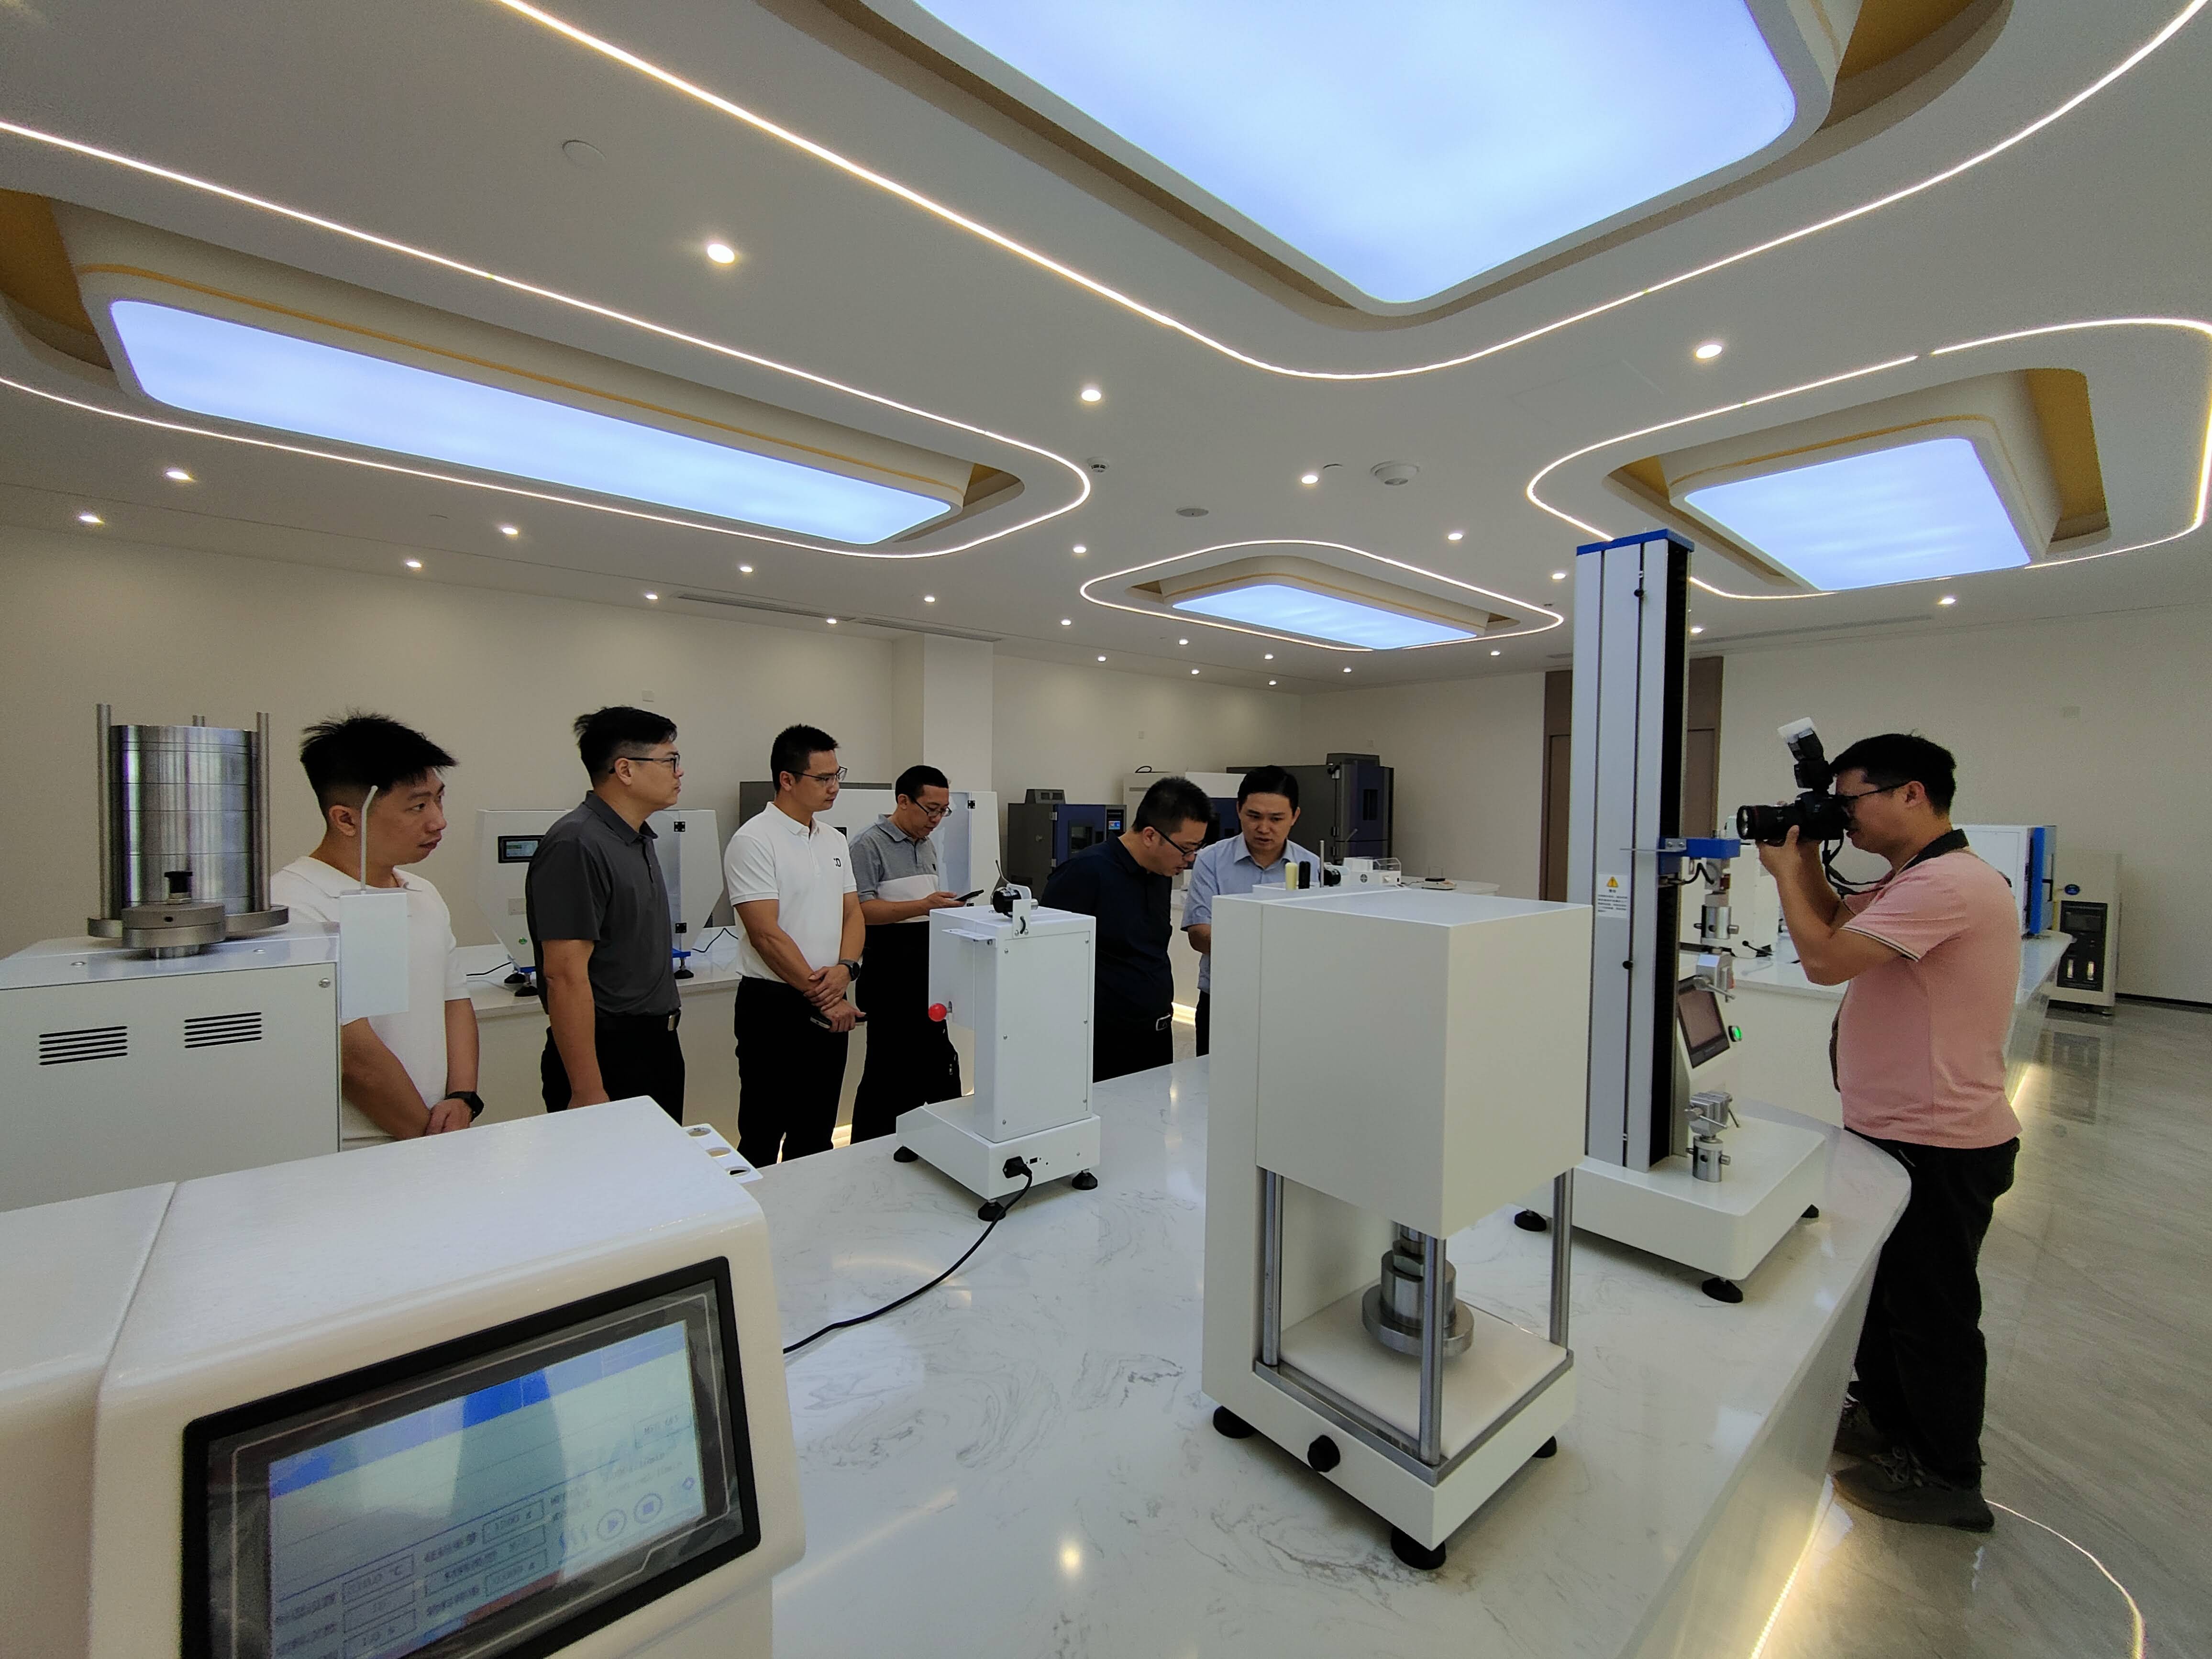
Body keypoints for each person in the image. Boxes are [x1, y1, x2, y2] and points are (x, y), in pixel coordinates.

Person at [1759, 732, 2022, 1531]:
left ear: (1911, 793)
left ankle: (1946, 1473)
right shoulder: (1914, 879)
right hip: (1900, 1128)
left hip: (1939, 1138)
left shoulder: (1947, 884)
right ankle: (1883, 1418)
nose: (1844, 817)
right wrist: (1804, 859)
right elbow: (1837, 920)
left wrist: (1783, 873)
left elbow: (1824, 959)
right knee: (1886, 1299)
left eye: (1852, 801)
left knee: (1930, 1312)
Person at [271, 713, 481, 1147]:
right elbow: (354, 1059)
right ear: (347, 819)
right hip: (353, 1147)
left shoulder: (421, 892)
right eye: (418, 806)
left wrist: (463, 1098)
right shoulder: (293, 906)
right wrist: (427, 1140)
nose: (438, 821)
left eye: (439, 800)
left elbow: (455, 1001)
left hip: (437, 1136)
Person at [526, 707, 686, 1122]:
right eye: (670, 761)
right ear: (625, 770)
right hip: (609, 1055)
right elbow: (564, 975)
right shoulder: (576, 844)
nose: (679, 772)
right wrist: (587, 1089)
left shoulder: (638, 838)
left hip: (657, 1045)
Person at [725, 724, 865, 1163]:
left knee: (817, 1132)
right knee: (763, 1131)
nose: (834, 787)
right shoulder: (754, 840)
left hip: (832, 995)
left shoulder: (834, 839)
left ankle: (812, 1210)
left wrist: (846, 968)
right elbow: (765, 934)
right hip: (775, 1004)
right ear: (787, 779)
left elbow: (853, 913)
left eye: (837, 775)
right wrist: (824, 996)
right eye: (823, 778)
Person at [1043, 774, 1215, 1083]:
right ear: (1150, 836)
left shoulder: (1160, 873)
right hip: (1102, 1046)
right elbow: (1049, 962)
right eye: (1186, 849)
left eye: (1197, 849)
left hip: (1155, 1037)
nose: (1190, 860)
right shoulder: (1085, 873)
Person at [846, 763, 966, 1142]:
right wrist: (924, 906)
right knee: (888, 1072)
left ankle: (931, 1141)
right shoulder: (868, 845)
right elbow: (860, 911)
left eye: (943, 811)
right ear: (903, 801)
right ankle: (874, 1149)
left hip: (926, 974)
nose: (936, 819)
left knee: (935, 1063)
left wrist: (941, 909)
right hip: (888, 976)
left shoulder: (927, 845)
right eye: (931, 809)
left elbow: (922, 908)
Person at [1183, 765, 1321, 1056]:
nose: (1264, 828)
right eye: (1254, 816)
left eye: (1276, 819)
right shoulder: (1211, 860)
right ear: (1239, 810)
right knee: (1214, 1078)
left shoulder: (1311, 866)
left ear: (1295, 816)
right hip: (1223, 999)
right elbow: (1200, 935)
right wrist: (1274, 945)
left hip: (1290, 1000)